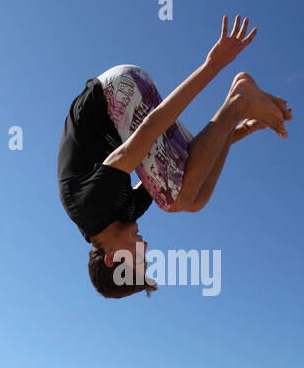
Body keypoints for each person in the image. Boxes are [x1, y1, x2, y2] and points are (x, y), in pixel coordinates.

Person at [57, 15, 292, 298]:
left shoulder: (89, 206)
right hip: (125, 103)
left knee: (176, 200)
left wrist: (214, 64)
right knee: (193, 198)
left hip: (113, 93)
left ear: (111, 258)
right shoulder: (125, 215)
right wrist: (248, 128)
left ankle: (239, 102)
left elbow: (149, 129)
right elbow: (192, 159)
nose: (145, 248)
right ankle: (239, 104)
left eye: (139, 259)